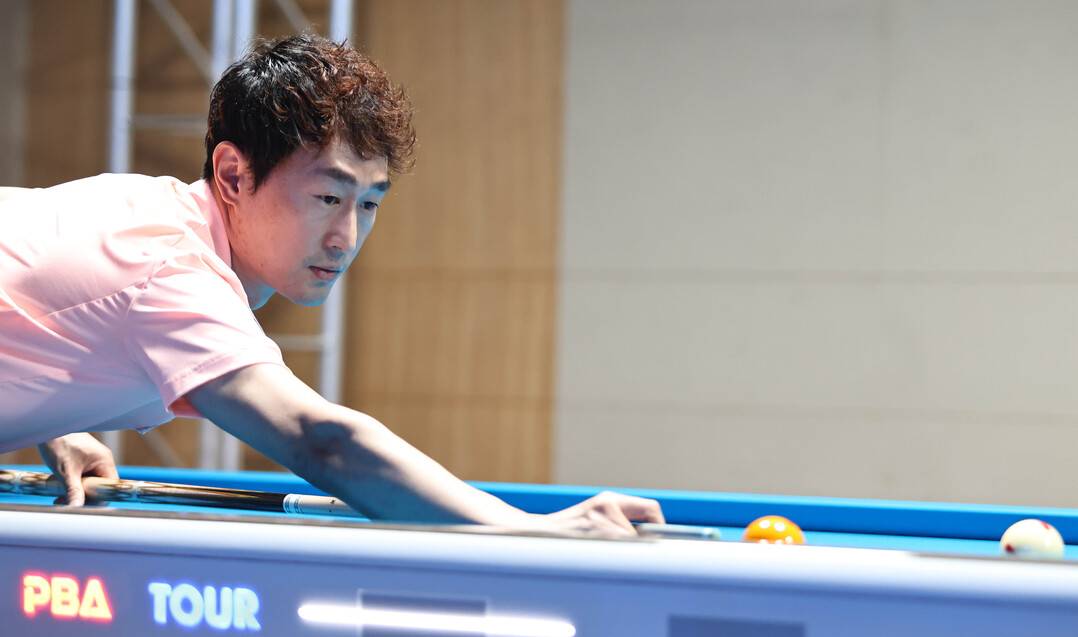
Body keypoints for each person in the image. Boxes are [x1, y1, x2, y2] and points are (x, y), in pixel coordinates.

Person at [0, 35, 662, 535]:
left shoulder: (144, 208)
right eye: (327, 197)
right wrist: (535, 533)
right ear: (232, 175)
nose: (347, 236)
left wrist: (55, 418)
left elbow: (36, 295)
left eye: (369, 203)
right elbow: (321, 441)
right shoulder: (169, 269)